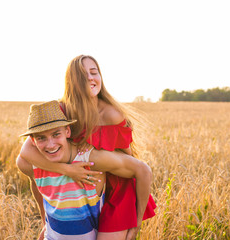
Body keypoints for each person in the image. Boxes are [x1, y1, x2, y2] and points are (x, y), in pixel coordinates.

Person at [17, 55, 156, 240]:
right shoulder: (62, 110)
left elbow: (130, 160)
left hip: (116, 186)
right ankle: (48, 221)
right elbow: (26, 152)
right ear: (72, 82)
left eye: (94, 72)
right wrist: (67, 170)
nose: (91, 78)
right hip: (84, 177)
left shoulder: (112, 114)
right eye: (83, 75)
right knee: (37, 171)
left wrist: (136, 222)